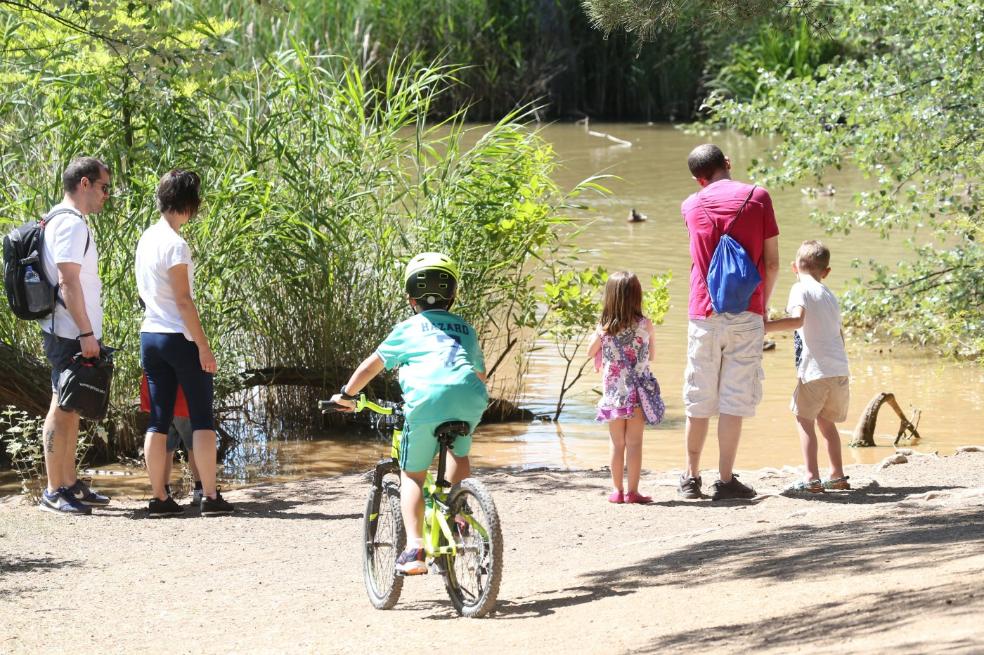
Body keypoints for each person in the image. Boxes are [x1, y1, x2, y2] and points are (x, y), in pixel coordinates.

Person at [329, 252, 488, 575]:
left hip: (427, 401)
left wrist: (347, 395)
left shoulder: (407, 328)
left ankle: (414, 547)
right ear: (453, 295)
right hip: (470, 397)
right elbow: (480, 373)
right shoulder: (466, 329)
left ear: (410, 298)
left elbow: (372, 365)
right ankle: (459, 512)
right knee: (459, 449)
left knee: (413, 474)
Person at [679, 144, 780, 501]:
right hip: (746, 312)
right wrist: (761, 308)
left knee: (698, 399)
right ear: (728, 164)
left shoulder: (690, 205)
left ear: (698, 179)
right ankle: (725, 480)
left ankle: (691, 478)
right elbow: (771, 264)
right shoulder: (759, 197)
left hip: (703, 313)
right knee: (733, 400)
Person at [135, 169, 232, 517]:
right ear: (189, 204)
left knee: (158, 419)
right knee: (202, 417)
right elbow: (184, 301)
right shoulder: (176, 245)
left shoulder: (146, 238)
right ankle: (209, 496)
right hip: (179, 337)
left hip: (150, 335)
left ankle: (159, 498)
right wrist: (204, 346)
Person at [36, 156, 113, 515]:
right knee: (61, 404)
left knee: (71, 404)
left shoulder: (59, 219)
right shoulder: (70, 225)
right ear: (84, 183)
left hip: (68, 329)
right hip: (69, 331)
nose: (106, 195)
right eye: (103, 187)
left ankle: (68, 483)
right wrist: (85, 332)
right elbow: (67, 281)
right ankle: (54, 491)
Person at [766, 241, 851, 493]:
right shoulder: (830, 296)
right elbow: (840, 335)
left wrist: (764, 328)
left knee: (804, 420)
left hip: (815, 369)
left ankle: (811, 478)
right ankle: (837, 475)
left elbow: (797, 320)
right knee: (827, 422)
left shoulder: (799, 288)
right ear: (826, 272)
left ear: (794, 267)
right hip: (839, 369)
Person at [587, 271, 665, 504]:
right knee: (635, 443)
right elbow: (652, 354)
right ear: (637, 296)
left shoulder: (604, 328)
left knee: (616, 443)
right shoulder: (645, 324)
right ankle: (633, 492)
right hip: (638, 394)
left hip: (614, 395)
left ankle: (617, 491)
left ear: (609, 298)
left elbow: (589, 352)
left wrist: (600, 339)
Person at [139, 373, 202, 504]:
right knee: (193, 445)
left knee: (165, 447)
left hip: (160, 402)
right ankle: (200, 490)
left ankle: (163, 491)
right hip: (182, 399)